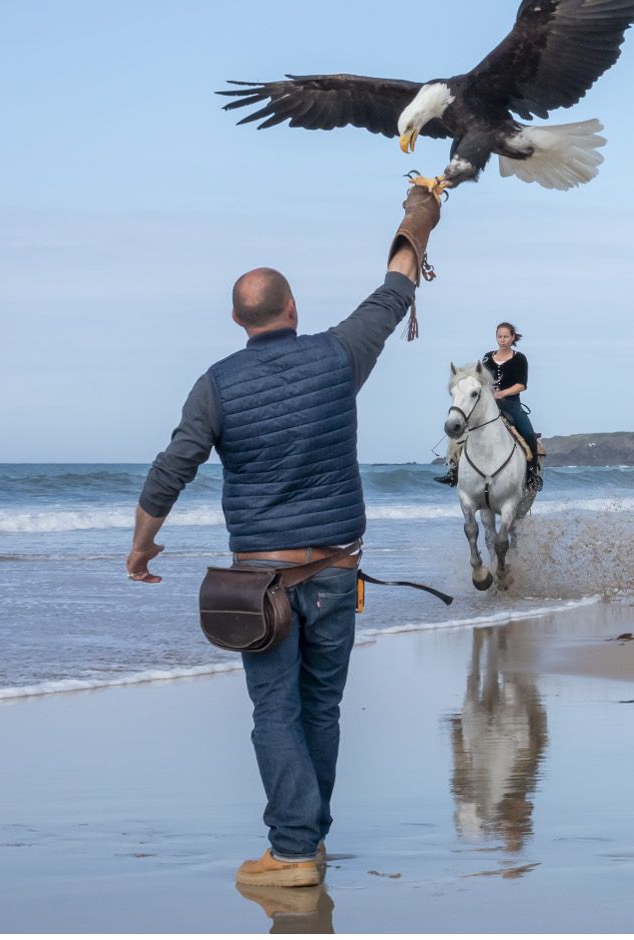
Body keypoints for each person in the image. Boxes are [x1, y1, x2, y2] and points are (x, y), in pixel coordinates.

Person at [125, 186, 442, 888]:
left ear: (238, 320)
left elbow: (174, 464)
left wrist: (143, 543)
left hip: (260, 584)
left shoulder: (216, 384)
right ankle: (308, 840)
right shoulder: (337, 354)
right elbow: (397, 284)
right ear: (290, 310)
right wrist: (423, 210)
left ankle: (295, 851)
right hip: (335, 571)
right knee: (319, 708)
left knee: (276, 709)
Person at [435, 321, 543, 490]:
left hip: (511, 404)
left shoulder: (520, 358)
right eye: (499, 336)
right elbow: (480, 380)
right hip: (487, 404)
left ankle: (531, 475)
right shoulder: (487, 357)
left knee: (528, 433)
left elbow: (521, 384)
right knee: (461, 431)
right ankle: (454, 471)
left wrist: (502, 393)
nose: (502, 340)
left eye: (506, 336)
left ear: (513, 337)